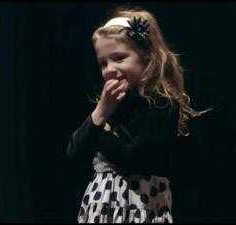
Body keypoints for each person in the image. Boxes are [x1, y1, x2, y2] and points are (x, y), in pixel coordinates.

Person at [66, 5, 211, 223]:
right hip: (102, 208)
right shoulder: (111, 105)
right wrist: (100, 113)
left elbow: (133, 158)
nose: (110, 69)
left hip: (140, 208)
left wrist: (102, 132)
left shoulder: (162, 105)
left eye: (119, 58)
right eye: (103, 63)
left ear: (146, 57)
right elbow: (74, 153)